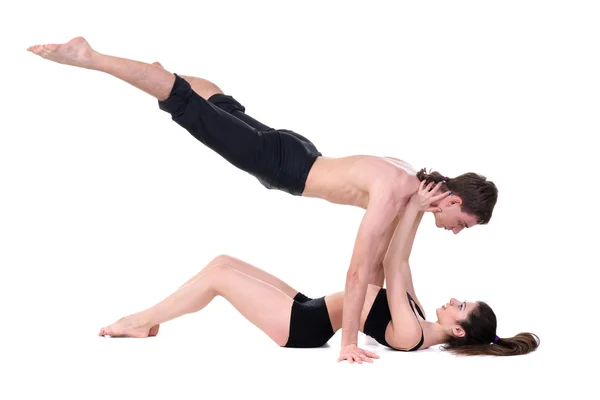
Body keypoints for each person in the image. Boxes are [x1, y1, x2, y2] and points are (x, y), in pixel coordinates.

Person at [28, 37, 499, 363]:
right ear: (453, 200)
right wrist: (348, 342)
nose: (456, 232)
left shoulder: (405, 178)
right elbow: (364, 270)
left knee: (219, 109)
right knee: (189, 106)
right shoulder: (400, 196)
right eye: (463, 223)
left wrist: (415, 215)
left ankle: (160, 77)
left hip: (300, 156)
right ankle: (94, 59)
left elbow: (390, 266)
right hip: (288, 170)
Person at [98, 181, 537, 359]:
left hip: (300, 328)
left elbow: (378, 271)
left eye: (460, 306)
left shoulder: (412, 335)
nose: (452, 300)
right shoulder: (418, 314)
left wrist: (417, 212)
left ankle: (138, 321)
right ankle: (146, 320)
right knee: (223, 262)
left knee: (219, 278)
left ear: (459, 331)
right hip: (308, 305)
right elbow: (396, 262)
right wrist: (416, 210)